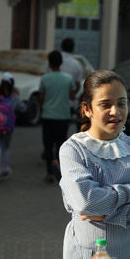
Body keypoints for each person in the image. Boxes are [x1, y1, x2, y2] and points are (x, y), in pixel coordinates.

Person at [58, 70, 130, 259]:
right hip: (88, 256)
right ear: (87, 109)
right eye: (105, 105)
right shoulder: (73, 150)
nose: (115, 111)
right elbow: (87, 202)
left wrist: (108, 214)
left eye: (121, 103)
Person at [39, 50, 76, 183]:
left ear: (49, 63)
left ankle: (49, 172)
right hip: (63, 115)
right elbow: (72, 96)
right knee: (60, 143)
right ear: (61, 63)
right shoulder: (68, 78)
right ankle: (57, 160)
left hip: (48, 115)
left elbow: (41, 98)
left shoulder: (44, 78)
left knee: (48, 143)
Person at [60, 37, 84, 132]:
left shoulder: (54, 61)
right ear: (72, 48)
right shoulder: (76, 64)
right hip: (67, 103)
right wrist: (72, 95)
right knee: (62, 132)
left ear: (61, 46)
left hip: (50, 106)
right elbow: (78, 85)